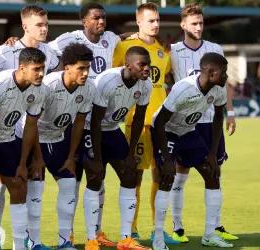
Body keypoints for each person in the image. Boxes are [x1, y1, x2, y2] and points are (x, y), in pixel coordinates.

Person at [48, 3, 122, 245]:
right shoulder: (69, 40)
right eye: (96, 18)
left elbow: (127, 41)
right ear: (84, 21)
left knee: (96, 178)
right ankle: (67, 234)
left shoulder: (111, 39)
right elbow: (43, 51)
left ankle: (96, 233)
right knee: (76, 179)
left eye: (104, 17)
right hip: (71, 120)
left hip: (99, 119)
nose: (101, 21)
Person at [0, 6, 59, 249]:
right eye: (39, 24)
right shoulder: (4, 52)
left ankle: (33, 239)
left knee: (35, 180)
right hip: (5, 131)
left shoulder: (51, 52)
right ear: (25, 26)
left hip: (33, 126)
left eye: (46, 24)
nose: (44, 29)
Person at [15, 43, 94, 250]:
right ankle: (33, 241)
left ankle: (65, 241)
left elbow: (78, 124)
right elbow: (30, 125)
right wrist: (37, 158)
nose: (85, 73)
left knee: (69, 185)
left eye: (88, 68)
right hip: (33, 140)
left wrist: (70, 156)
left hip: (58, 141)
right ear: (67, 67)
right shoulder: (48, 86)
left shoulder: (88, 89)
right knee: (36, 189)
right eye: (80, 68)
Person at [169, 3, 237, 243]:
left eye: (201, 23)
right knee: (181, 173)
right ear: (183, 25)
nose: (198, 27)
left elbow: (225, 82)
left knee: (214, 171)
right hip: (185, 122)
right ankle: (177, 227)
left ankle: (216, 226)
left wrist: (230, 111)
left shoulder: (214, 48)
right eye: (194, 23)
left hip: (210, 121)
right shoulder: (173, 51)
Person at [152, 52, 233, 250]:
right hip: (167, 131)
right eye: (224, 73)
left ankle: (209, 235)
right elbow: (160, 122)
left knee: (212, 174)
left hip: (188, 132)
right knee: (166, 177)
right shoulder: (183, 89)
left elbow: (217, 119)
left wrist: (213, 154)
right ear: (211, 72)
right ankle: (158, 238)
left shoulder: (218, 88)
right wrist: (167, 159)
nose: (227, 77)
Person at [112, 2, 177, 243]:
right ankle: (133, 228)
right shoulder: (124, 46)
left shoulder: (163, 50)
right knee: (134, 175)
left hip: (162, 124)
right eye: (151, 20)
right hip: (135, 122)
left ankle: (157, 229)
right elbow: (113, 77)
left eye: (158, 20)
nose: (156, 24)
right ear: (138, 21)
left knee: (162, 175)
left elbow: (167, 80)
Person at [0, 47, 47, 250]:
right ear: (22, 68)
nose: (41, 73)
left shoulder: (39, 89)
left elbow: (31, 126)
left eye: (43, 68)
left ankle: (19, 246)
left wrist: (24, 163)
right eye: (36, 69)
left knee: (18, 186)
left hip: (7, 139)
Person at [82, 46, 151, 250]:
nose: (147, 68)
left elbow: (139, 119)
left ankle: (125, 239)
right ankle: (91, 238)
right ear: (128, 65)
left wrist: (130, 153)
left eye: (149, 64)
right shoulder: (107, 81)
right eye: (142, 64)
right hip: (90, 129)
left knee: (130, 174)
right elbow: (95, 121)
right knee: (95, 177)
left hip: (111, 129)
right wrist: (95, 154)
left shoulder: (145, 84)